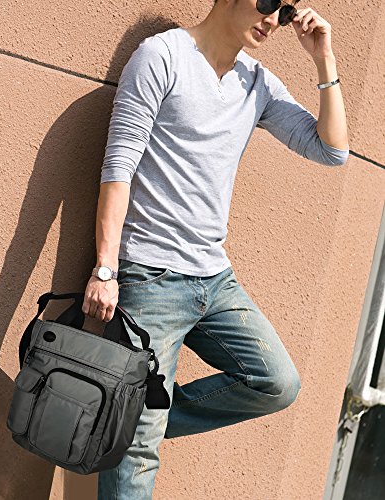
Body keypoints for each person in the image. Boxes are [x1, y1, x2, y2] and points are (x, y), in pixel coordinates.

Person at [82, 0, 349, 498]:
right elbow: (118, 167)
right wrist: (105, 268)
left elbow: (331, 151)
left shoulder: (257, 83)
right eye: (266, 3)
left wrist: (323, 59)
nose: (272, 19)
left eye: (284, 11)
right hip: (151, 276)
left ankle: (127, 416)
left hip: (214, 279)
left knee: (276, 383)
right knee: (138, 455)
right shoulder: (162, 56)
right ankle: (133, 423)